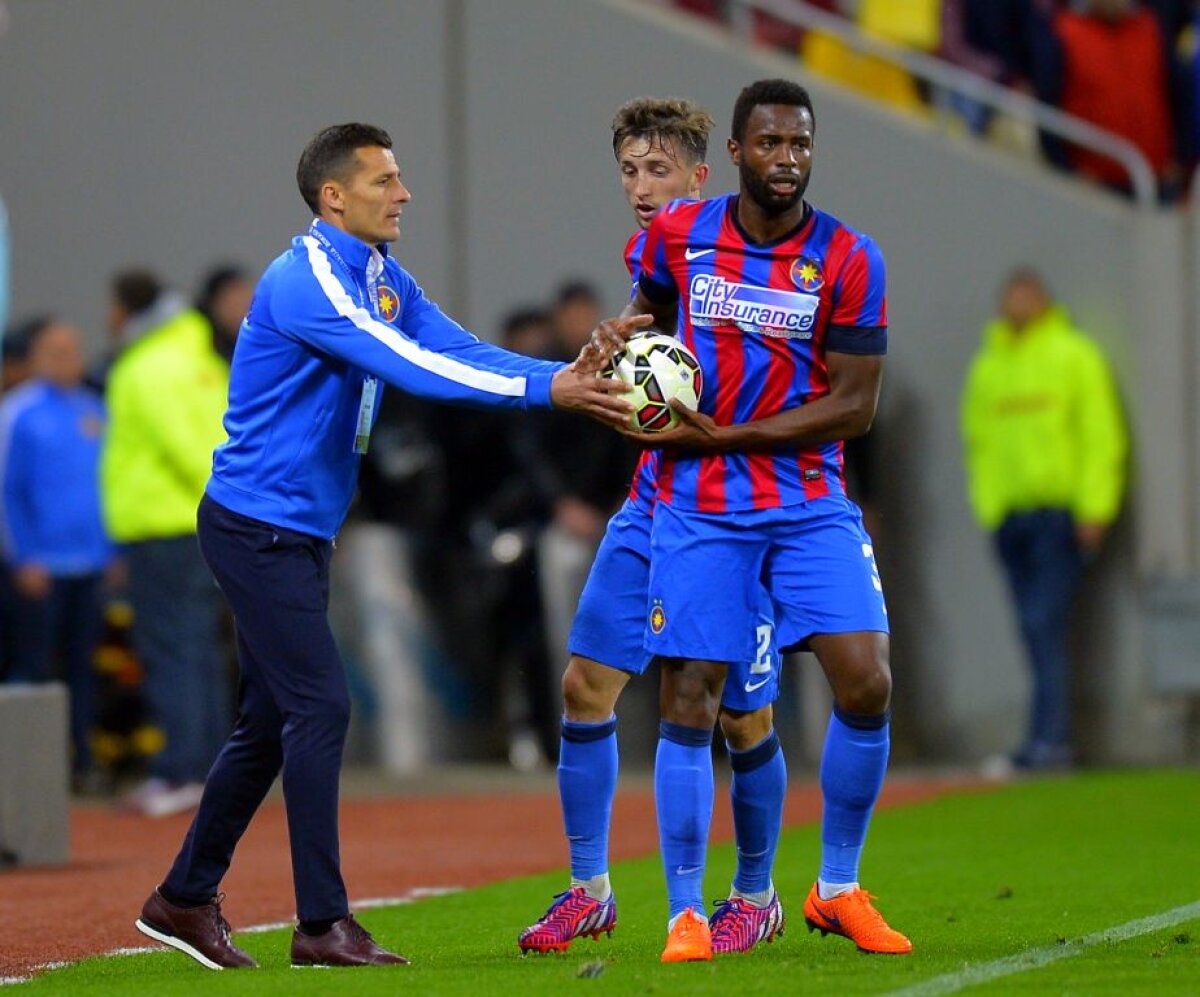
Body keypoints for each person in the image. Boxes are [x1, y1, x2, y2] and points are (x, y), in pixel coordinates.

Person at [133, 122, 639, 971]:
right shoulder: (307, 281)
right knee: (320, 706)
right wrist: (550, 389)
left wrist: (558, 379)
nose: (403, 193)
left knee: (268, 723)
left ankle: (184, 896)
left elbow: (454, 347)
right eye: (384, 181)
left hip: (297, 526)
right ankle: (322, 922)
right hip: (255, 526)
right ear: (335, 197)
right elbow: (407, 365)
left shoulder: (379, 275)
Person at [620, 78, 911, 956]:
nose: (788, 159)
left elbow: (855, 405)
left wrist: (736, 431)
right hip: (703, 506)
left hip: (809, 502)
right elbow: (651, 322)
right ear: (738, 155)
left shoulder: (852, 258)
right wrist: (622, 352)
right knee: (691, 697)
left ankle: (837, 885)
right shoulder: (678, 236)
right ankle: (684, 913)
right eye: (772, 144)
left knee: (866, 680)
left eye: (801, 144)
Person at [519, 97, 789, 963]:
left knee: (740, 717)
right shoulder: (655, 247)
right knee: (584, 685)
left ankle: (756, 894)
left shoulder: (749, 243)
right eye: (630, 171)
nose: (641, 187)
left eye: (658, 170)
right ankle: (591, 889)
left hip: (739, 504)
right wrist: (615, 355)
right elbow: (652, 331)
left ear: (702, 177)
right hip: (655, 496)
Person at [961, 267, 1127, 773]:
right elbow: (980, 443)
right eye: (1013, 295)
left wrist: (1095, 508)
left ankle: (1050, 741)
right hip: (1012, 518)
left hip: (1060, 516)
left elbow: (1101, 435)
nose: (1021, 303)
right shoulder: (990, 366)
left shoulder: (1073, 355)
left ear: (1045, 301)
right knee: (1034, 629)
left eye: (1028, 294)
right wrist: (991, 507)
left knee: (1043, 624)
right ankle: (1045, 739)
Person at [100, 269, 232, 819]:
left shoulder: (146, 365)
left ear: (127, 308)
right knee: (199, 651)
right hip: (202, 526)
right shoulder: (200, 357)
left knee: (172, 652)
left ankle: (181, 770)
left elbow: (185, 447)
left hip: (164, 527)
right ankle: (210, 771)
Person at [0, 317, 113, 786]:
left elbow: (109, 484)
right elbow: (7, 492)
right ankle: (27, 774)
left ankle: (81, 762)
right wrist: (22, 556)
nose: (69, 361)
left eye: (74, 351)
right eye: (57, 352)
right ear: (38, 358)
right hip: (39, 566)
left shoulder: (94, 410)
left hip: (89, 562)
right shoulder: (18, 413)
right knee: (34, 669)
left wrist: (111, 551)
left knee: (83, 669)